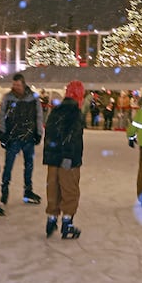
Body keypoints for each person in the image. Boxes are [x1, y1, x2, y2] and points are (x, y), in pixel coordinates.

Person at [42, 80, 85, 239]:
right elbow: (72, 137)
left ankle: (51, 219)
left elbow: (50, 135)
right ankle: (67, 223)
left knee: (53, 189)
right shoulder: (75, 113)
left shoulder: (56, 110)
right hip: (68, 160)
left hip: (53, 158)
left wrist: (50, 156)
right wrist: (68, 156)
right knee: (69, 190)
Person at [0, 73, 44, 205]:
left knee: (29, 165)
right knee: (8, 165)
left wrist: (39, 133)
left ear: (23, 84)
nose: (15, 87)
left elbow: (39, 115)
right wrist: (3, 134)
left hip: (28, 137)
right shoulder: (8, 98)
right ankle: (5, 189)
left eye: (17, 85)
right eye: (14, 84)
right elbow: (2, 116)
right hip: (13, 137)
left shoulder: (33, 97)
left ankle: (28, 190)